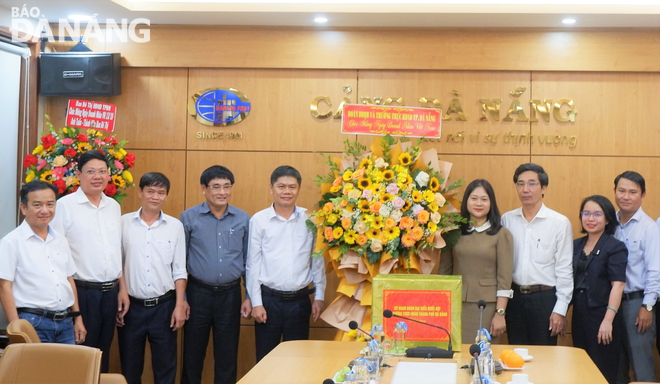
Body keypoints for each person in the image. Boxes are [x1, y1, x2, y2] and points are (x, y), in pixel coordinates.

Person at [51, 150, 125, 372]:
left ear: (109, 175)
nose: (97, 176)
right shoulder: (64, 206)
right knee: (81, 354)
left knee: (103, 353)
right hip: (82, 292)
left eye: (102, 171)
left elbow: (116, 252)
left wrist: (121, 289)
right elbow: (56, 256)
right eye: (91, 171)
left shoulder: (113, 206)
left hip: (110, 293)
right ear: (79, 174)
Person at [180, 165, 251, 384]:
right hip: (197, 293)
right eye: (216, 186)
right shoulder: (189, 218)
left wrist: (249, 296)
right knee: (192, 355)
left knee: (227, 356)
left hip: (230, 295)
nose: (222, 192)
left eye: (227, 186)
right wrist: (181, 299)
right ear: (204, 188)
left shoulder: (242, 218)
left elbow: (249, 262)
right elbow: (179, 262)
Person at [247, 165, 326, 362]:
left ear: (299, 189)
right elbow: (253, 264)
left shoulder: (311, 220)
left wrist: (319, 296)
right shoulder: (259, 220)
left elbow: (316, 260)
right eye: (281, 186)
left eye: (292, 187)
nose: (286, 191)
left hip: (299, 302)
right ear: (271, 188)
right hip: (268, 301)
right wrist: (256, 302)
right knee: (266, 361)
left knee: (297, 361)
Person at [117, 172, 189, 384]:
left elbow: (179, 269)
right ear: (140, 192)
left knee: (165, 368)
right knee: (130, 368)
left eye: (161, 192)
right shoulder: (123, 223)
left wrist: (179, 305)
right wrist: (121, 294)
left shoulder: (175, 226)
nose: (155, 197)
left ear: (166, 196)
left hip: (164, 306)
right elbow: (117, 264)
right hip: (131, 306)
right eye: (150, 191)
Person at [0, 181, 86, 344]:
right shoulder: (12, 242)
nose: (45, 210)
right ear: (23, 208)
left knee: (67, 369)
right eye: (37, 205)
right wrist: (16, 328)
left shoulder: (60, 239)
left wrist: (77, 318)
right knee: (36, 370)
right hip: (33, 322)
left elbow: (68, 279)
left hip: (65, 322)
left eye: (50, 204)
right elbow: (4, 287)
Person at [501, 163, 573, 345]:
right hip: (514, 298)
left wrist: (560, 309)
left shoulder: (559, 223)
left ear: (543, 188)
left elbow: (564, 269)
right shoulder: (506, 220)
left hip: (545, 300)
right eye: (520, 184)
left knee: (545, 358)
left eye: (532, 184)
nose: (525, 189)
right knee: (515, 355)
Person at [439, 179, 513, 343]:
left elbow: (504, 279)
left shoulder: (501, 234)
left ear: (491, 203)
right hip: (455, 304)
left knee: (482, 356)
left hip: (486, 307)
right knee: (456, 354)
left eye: (484, 199)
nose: (479, 203)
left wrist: (500, 313)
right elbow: (444, 272)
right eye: (474, 198)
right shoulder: (452, 230)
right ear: (466, 202)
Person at [571, 195, 627, 384]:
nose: (591, 219)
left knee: (603, 369)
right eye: (586, 213)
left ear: (608, 218)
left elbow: (618, 285)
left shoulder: (615, 247)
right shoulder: (575, 245)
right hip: (579, 314)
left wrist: (608, 320)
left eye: (597, 214)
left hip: (603, 316)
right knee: (580, 366)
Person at [612, 171, 660, 383]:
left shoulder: (650, 227)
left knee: (641, 367)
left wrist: (647, 306)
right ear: (614, 192)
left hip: (636, 303)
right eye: (621, 191)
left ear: (643, 195)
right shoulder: (608, 223)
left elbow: (655, 270)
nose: (626, 196)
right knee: (615, 365)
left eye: (633, 192)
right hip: (610, 304)